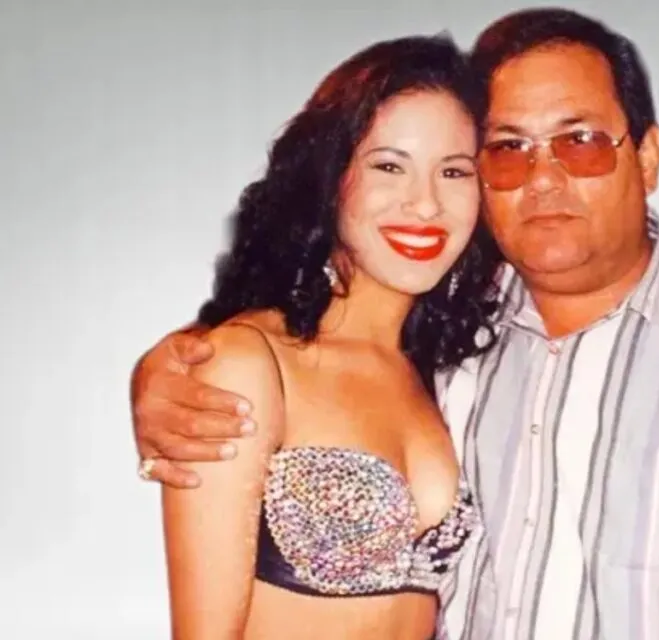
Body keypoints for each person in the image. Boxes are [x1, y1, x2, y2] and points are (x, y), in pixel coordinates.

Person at [130, 8, 659, 639]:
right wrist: (167, 370)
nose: (544, 177)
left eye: (580, 143)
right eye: (508, 150)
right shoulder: (459, 351)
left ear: (646, 157)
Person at [149, 33, 507, 639]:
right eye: (389, 166)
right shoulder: (247, 363)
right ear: (330, 177)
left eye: (453, 171)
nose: (425, 204)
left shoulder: (444, 373)